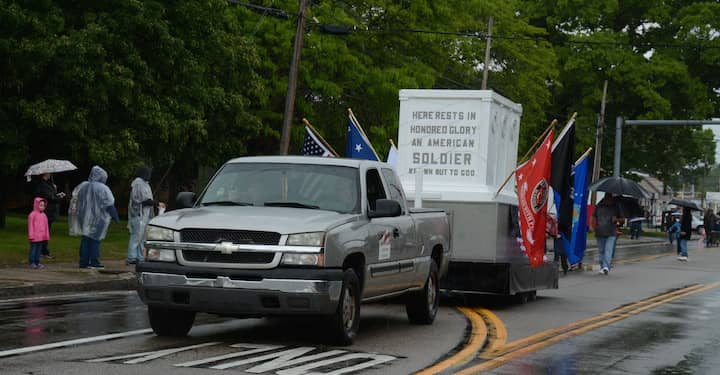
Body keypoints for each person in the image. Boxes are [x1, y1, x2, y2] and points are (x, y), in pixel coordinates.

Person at [70, 166, 120, 269]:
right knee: (95, 240)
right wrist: (115, 217)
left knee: (85, 239)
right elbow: (109, 204)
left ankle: (83, 262)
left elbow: (77, 201)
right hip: (98, 219)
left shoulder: (83, 186)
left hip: (83, 218)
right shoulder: (103, 188)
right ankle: (94, 262)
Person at [127, 166, 162, 265]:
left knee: (142, 237)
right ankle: (131, 257)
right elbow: (143, 201)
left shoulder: (144, 184)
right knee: (136, 237)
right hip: (138, 215)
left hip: (143, 216)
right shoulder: (138, 184)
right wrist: (157, 203)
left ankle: (140, 256)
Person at [33, 173, 65, 258]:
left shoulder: (48, 184)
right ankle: (41, 251)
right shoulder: (42, 184)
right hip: (46, 212)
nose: (50, 174)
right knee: (43, 232)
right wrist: (59, 196)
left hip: (49, 212)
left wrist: (55, 190)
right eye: (48, 173)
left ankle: (43, 251)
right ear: (44, 174)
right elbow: (50, 197)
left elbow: (51, 196)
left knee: (46, 232)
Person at [590, 194, 623, 275]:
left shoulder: (616, 207)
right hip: (600, 231)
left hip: (611, 232)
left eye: (609, 197)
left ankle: (606, 267)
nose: (607, 199)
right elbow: (593, 216)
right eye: (606, 197)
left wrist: (617, 219)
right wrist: (591, 225)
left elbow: (622, 220)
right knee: (601, 251)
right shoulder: (599, 206)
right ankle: (602, 267)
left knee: (608, 250)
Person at [28, 197, 49, 269]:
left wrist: (46, 236)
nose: (42, 207)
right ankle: (32, 262)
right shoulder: (32, 215)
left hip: (41, 237)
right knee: (33, 250)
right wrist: (31, 235)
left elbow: (46, 227)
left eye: (43, 205)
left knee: (39, 251)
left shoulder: (44, 215)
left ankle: (37, 262)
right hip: (34, 237)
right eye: (41, 205)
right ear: (36, 205)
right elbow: (30, 226)